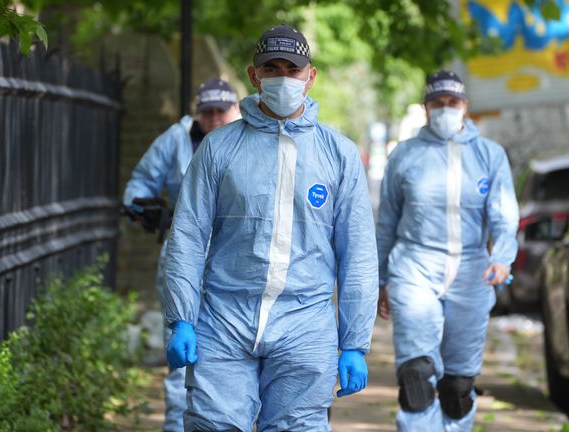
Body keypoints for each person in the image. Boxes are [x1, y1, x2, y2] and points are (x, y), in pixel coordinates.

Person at [162, 23, 380, 431]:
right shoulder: (219, 148)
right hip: (223, 319)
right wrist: (182, 318)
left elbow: (359, 254)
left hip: (306, 322)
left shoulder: (338, 155)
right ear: (254, 75)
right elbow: (188, 236)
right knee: (213, 425)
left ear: (310, 76)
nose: (282, 78)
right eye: (271, 68)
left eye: (292, 69)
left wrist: (354, 341)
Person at [375, 70, 519, 431]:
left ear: (465, 106)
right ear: (426, 108)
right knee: (416, 375)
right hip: (414, 267)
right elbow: (386, 222)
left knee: (457, 386)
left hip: (472, 271)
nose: (444, 110)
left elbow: (504, 215)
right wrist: (379, 280)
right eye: (437, 103)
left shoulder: (490, 155)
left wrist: (502, 257)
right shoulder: (405, 156)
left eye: (452, 103)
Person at [122, 77, 239, 432]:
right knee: (181, 354)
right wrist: (143, 210)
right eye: (208, 111)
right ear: (197, 112)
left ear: (235, 108)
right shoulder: (176, 140)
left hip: (234, 260)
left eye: (221, 110)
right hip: (183, 254)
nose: (215, 117)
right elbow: (138, 185)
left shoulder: (250, 139)